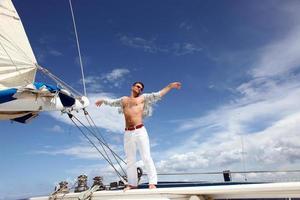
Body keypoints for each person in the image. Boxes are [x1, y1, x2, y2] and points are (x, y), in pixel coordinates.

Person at [95, 81, 181, 190]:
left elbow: (158, 94)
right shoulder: (123, 100)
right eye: (138, 86)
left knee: (146, 157)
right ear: (132, 87)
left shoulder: (143, 98)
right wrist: (103, 100)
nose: (139, 89)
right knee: (130, 159)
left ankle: (152, 183)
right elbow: (112, 102)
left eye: (141, 88)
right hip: (128, 133)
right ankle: (132, 184)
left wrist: (170, 86)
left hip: (140, 131)